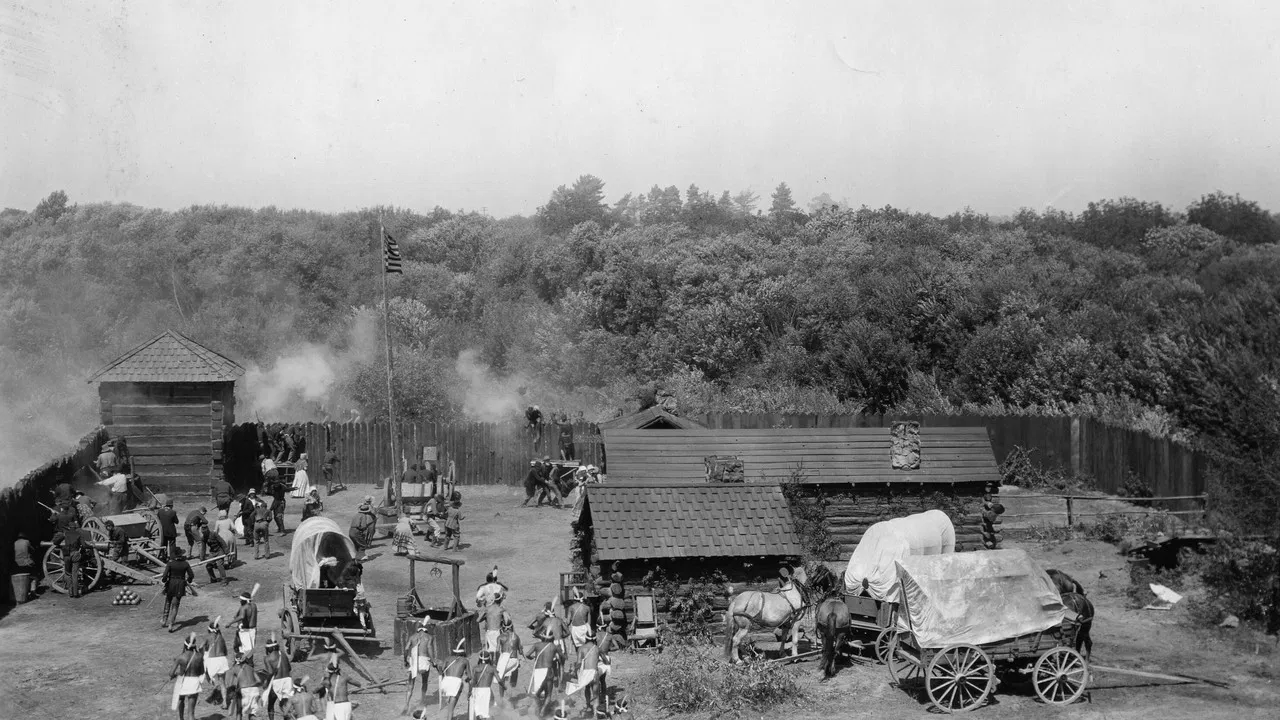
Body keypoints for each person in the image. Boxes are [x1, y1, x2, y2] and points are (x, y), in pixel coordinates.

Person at [524, 626, 564, 718]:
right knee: (548, 694)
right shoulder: (554, 646)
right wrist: (558, 652)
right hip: (548, 671)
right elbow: (562, 656)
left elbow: (527, 654)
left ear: (542, 637)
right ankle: (542, 711)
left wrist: (534, 658)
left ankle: (538, 711)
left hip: (538, 671)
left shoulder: (537, 645)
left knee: (538, 693)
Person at [403, 617, 437, 715]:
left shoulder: (413, 636)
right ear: (426, 629)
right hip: (424, 660)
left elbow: (406, 649)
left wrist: (405, 660)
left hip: (413, 660)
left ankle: (406, 705)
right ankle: (421, 703)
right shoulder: (429, 637)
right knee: (424, 682)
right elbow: (429, 648)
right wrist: (433, 661)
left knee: (410, 685)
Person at [169, 632, 205, 720]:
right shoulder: (200, 656)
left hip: (182, 681)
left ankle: (181, 718)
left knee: (181, 700)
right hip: (194, 683)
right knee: (191, 713)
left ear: (185, 645)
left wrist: (176, 674)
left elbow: (171, 673)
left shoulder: (180, 657)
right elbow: (201, 672)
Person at [564, 628, 600, 712]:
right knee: (596, 694)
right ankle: (596, 713)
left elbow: (579, 663)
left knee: (587, 688)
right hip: (594, 672)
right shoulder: (597, 648)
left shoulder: (581, 648)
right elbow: (605, 659)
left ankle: (588, 705)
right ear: (595, 639)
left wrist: (574, 670)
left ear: (585, 638)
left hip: (585, 673)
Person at [161, 547, 194, 631]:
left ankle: (164, 620)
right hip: (180, 584)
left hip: (171, 584)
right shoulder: (185, 564)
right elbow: (191, 575)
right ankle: (171, 624)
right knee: (175, 605)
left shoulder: (170, 563)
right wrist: (187, 581)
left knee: (168, 601)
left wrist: (164, 581)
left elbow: (164, 576)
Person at [264, 633, 294, 720]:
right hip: (288, 681)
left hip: (277, 682)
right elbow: (289, 668)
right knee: (286, 705)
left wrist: (266, 683)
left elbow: (270, 673)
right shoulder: (283, 654)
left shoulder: (267, 658)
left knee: (271, 704)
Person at [322, 653, 361, 720]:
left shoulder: (326, 681)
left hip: (337, 706)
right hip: (347, 705)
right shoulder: (344, 677)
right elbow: (358, 684)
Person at [494, 616, 523, 708]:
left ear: (503, 627)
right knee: (506, 678)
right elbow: (520, 651)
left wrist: (496, 663)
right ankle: (508, 698)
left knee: (499, 678)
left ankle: (502, 699)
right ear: (511, 626)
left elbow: (497, 651)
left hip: (505, 659)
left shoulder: (500, 637)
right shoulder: (516, 637)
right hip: (514, 660)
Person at [440, 639, 472, 720]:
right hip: (456, 682)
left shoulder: (448, 658)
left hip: (445, 681)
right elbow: (470, 676)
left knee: (447, 704)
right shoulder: (465, 660)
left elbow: (441, 671)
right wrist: (467, 680)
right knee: (451, 707)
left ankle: (447, 715)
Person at [203, 616, 231, 710]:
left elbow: (204, 649)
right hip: (222, 660)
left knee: (207, 675)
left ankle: (215, 687)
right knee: (223, 682)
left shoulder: (208, 637)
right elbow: (226, 652)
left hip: (213, 661)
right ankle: (225, 703)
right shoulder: (221, 638)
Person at [227, 652, 259, 720]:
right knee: (252, 714)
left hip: (244, 690)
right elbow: (258, 681)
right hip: (255, 690)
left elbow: (230, 685)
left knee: (239, 712)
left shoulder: (234, 668)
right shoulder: (251, 668)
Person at [62, 519, 87, 598]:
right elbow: (84, 545)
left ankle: (70, 593)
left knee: (68, 574)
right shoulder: (78, 534)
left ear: (69, 528)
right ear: (75, 528)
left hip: (67, 556)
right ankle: (76, 593)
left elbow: (57, 541)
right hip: (75, 554)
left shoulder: (66, 534)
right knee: (75, 574)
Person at [230, 589, 259, 655]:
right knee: (250, 650)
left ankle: (243, 662)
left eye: (241, 600)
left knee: (245, 651)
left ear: (244, 600)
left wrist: (230, 623)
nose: (240, 601)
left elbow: (241, 616)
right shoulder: (254, 605)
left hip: (245, 631)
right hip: (253, 630)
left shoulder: (243, 608)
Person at [567, 587, 594, 657]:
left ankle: (579, 660)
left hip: (575, 629)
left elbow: (567, 622)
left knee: (577, 648)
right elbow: (589, 623)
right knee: (586, 646)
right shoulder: (587, 608)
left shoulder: (571, 607)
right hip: (584, 628)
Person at [471, 650, 497, 720]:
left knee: (478, 711)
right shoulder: (492, 668)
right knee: (485, 711)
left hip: (476, 690)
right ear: (489, 659)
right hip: (486, 691)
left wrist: (469, 692)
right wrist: (504, 686)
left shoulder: (475, 668)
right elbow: (499, 680)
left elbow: (472, 681)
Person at [13, 531, 37, 597]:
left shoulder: (15, 542)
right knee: (33, 577)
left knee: (21, 578)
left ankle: (22, 592)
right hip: (26, 562)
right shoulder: (26, 542)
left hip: (17, 563)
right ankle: (33, 591)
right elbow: (32, 550)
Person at [268, 470, 288, 535]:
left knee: (279, 516)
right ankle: (279, 528)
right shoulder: (272, 487)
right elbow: (272, 494)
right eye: (275, 483)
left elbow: (287, 490)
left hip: (281, 502)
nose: (276, 484)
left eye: (277, 483)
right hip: (275, 501)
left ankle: (283, 531)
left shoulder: (282, 487)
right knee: (275, 517)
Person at [254, 494, 273, 560]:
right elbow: (270, 518)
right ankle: (267, 555)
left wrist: (255, 521)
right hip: (264, 523)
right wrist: (267, 522)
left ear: (261, 506)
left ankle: (256, 556)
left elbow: (251, 516)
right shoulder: (268, 511)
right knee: (266, 540)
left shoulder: (257, 510)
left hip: (256, 524)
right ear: (266, 506)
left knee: (256, 541)